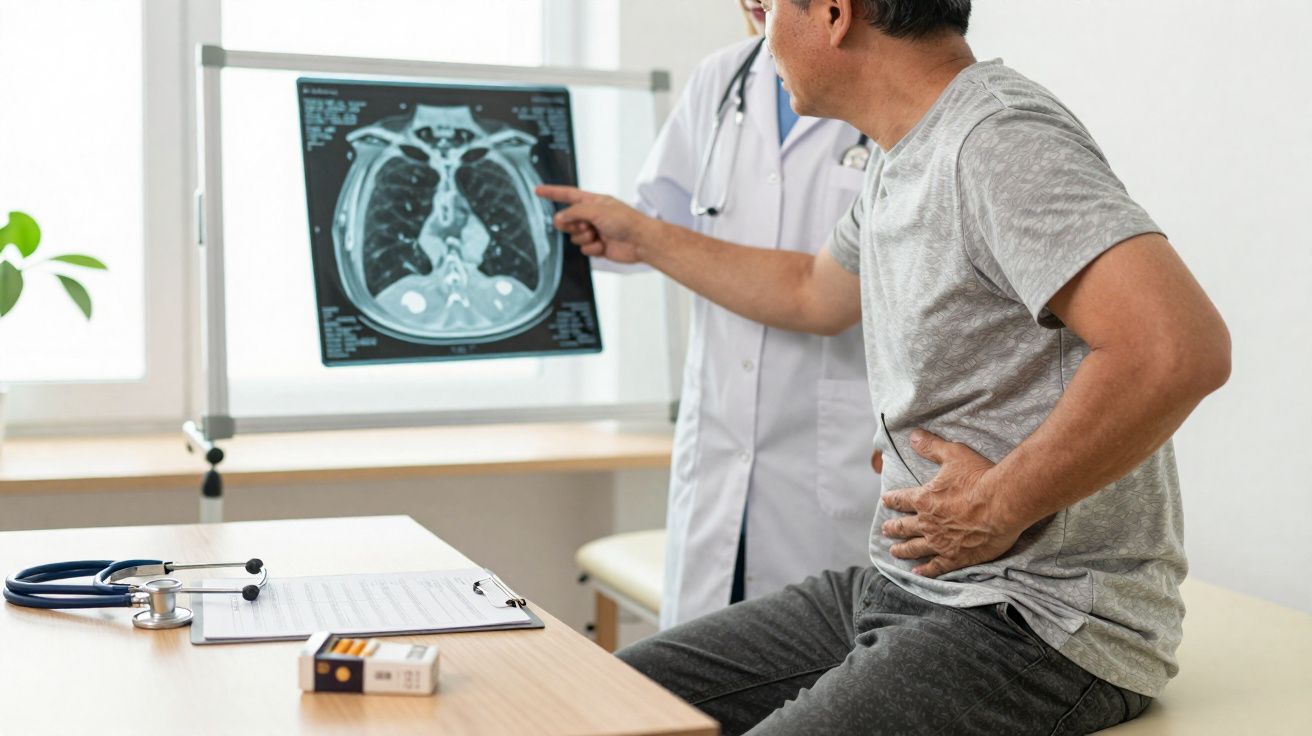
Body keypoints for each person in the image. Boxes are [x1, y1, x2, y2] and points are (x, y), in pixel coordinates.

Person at [537, 0, 1231, 733]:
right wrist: (643, 237)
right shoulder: (902, 150)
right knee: (604, 704)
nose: (760, 29)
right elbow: (812, 292)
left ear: (834, 13)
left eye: (770, 6)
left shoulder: (998, 139)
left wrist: (997, 506)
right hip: (909, 586)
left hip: (1037, 619)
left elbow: (1179, 349)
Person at [622, 0, 880, 627]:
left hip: (830, 468)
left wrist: (637, 234)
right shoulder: (721, 77)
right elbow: (657, 223)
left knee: (811, 701)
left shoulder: (885, 95)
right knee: (696, 698)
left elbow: (818, 297)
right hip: (718, 453)